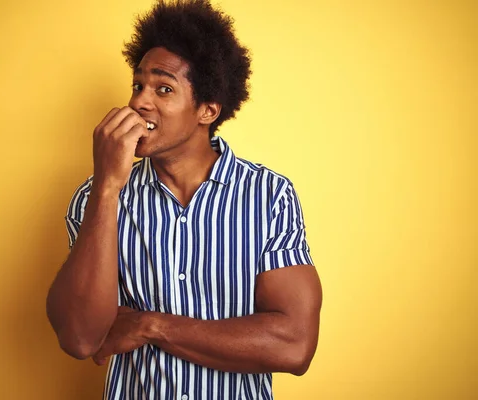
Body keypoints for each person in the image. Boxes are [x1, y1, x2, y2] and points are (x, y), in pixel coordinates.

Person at [46, 0, 322, 398]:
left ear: (207, 110)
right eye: (138, 85)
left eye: (164, 88)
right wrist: (107, 187)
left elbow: (293, 345)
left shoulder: (267, 197)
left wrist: (148, 324)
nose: (140, 101)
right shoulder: (94, 197)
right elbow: (79, 338)